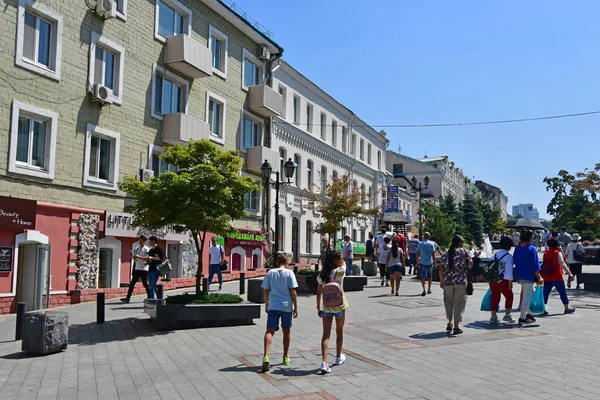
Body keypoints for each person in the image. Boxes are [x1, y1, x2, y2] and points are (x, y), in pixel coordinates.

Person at [261, 253, 298, 372]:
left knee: (270, 331)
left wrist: (267, 304)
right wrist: (296, 307)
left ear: (277, 263)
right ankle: (285, 357)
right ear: (287, 263)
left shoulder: (270, 273)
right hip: (286, 306)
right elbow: (293, 292)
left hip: (273, 305)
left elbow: (266, 291)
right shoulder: (289, 273)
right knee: (286, 331)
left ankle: (266, 356)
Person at [316, 251, 348, 374]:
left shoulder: (323, 274)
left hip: (326, 307)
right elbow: (345, 264)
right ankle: (338, 356)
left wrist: (318, 307)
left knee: (326, 335)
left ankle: (324, 362)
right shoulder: (340, 271)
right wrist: (343, 261)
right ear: (335, 261)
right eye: (340, 258)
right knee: (339, 331)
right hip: (340, 306)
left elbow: (318, 292)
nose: (342, 259)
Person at [439, 235, 471, 335]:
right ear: (460, 243)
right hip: (460, 282)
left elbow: (441, 267)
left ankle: (449, 323)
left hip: (448, 282)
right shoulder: (464, 252)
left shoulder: (446, 253)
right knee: (459, 303)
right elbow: (470, 264)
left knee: (448, 303)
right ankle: (456, 326)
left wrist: (441, 280)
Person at [513, 230, 543, 325]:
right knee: (527, 296)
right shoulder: (532, 249)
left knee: (531, 293)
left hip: (519, 274)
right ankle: (523, 317)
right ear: (530, 238)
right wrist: (539, 277)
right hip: (528, 275)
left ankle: (530, 314)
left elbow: (515, 260)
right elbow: (535, 265)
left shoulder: (517, 248)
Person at [541, 239, 575, 315]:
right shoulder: (557, 253)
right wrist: (570, 273)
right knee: (562, 292)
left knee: (545, 293)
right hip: (557, 277)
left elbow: (544, 265)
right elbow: (562, 264)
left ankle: (542, 309)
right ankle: (567, 308)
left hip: (547, 276)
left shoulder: (545, 254)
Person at [488, 237, 516, 324]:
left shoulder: (495, 255)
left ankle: (493, 316)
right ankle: (507, 315)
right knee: (509, 296)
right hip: (503, 280)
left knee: (495, 297)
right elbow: (508, 270)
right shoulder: (509, 257)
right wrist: (510, 282)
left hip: (493, 280)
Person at [121, 235, 150, 303]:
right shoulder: (137, 248)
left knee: (145, 283)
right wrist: (133, 256)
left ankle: (150, 297)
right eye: (139, 240)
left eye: (141, 240)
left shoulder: (146, 249)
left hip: (144, 269)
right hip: (137, 268)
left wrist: (139, 257)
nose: (140, 241)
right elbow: (136, 258)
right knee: (132, 283)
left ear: (144, 241)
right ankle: (127, 298)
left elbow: (148, 258)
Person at [416, 232, 437, 296]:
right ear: (429, 236)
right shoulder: (432, 243)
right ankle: (429, 289)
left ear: (424, 236)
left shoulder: (420, 243)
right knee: (430, 276)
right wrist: (435, 262)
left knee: (423, 276)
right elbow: (433, 255)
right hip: (429, 262)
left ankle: (424, 289)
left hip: (422, 262)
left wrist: (417, 262)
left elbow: (417, 254)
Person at [146, 236, 165, 302]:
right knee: (149, 285)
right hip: (150, 269)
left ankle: (154, 301)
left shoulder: (158, 249)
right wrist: (147, 262)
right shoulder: (150, 250)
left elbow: (160, 258)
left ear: (153, 241)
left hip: (156, 269)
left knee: (153, 284)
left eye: (150, 241)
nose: (149, 242)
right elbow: (150, 260)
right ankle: (151, 299)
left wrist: (152, 258)